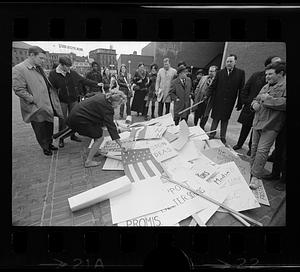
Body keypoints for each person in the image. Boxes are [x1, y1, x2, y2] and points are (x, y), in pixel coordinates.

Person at [12, 46, 64, 156]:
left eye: (44, 58)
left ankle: (49, 144)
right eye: (41, 58)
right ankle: (45, 147)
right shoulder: (19, 69)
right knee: (40, 128)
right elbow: (19, 89)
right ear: (31, 55)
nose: (43, 61)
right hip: (36, 106)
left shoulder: (38, 67)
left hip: (46, 104)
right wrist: (33, 99)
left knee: (48, 125)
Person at [48, 57, 103, 148]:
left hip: (73, 100)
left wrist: (96, 84)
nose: (69, 68)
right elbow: (51, 88)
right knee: (63, 120)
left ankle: (73, 135)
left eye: (70, 66)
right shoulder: (53, 74)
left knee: (75, 118)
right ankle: (61, 139)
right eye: (67, 66)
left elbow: (83, 80)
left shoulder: (72, 73)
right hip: (62, 101)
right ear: (61, 65)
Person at [233, 56, 282, 155]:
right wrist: (248, 102)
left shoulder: (279, 80)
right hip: (251, 107)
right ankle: (239, 144)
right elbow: (245, 90)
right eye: (276, 63)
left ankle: (251, 148)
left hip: (264, 111)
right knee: (245, 127)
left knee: (256, 130)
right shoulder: (256, 75)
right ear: (268, 64)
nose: (280, 65)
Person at [65, 91, 128, 168]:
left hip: (75, 115)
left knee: (98, 131)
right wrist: (120, 144)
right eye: (119, 104)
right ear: (114, 101)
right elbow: (111, 127)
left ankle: (96, 151)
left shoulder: (102, 96)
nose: (118, 106)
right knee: (100, 137)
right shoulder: (108, 108)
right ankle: (88, 161)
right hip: (79, 120)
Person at [249, 62, 286, 189]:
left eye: (270, 74)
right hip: (257, 122)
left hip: (271, 125)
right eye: (266, 74)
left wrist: (267, 99)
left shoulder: (285, 86)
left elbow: (284, 103)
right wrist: (254, 104)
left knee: (262, 151)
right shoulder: (265, 86)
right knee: (254, 148)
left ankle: (255, 176)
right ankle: (251, 171)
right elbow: (256, 98)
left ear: (280, 74)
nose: (267, 77)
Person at [205, 54, 245, 144]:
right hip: (218, 101)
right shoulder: (220, 73)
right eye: (227, 61)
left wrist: (240, 103)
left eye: (231, 61)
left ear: (235, 62)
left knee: (225, 120)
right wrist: (207, 95)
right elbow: (213, 86)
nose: (229, 63)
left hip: (229, 102)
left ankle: (222, 137)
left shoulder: (240, 73)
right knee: (215, 118)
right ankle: (211, 134)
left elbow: (241, 89)